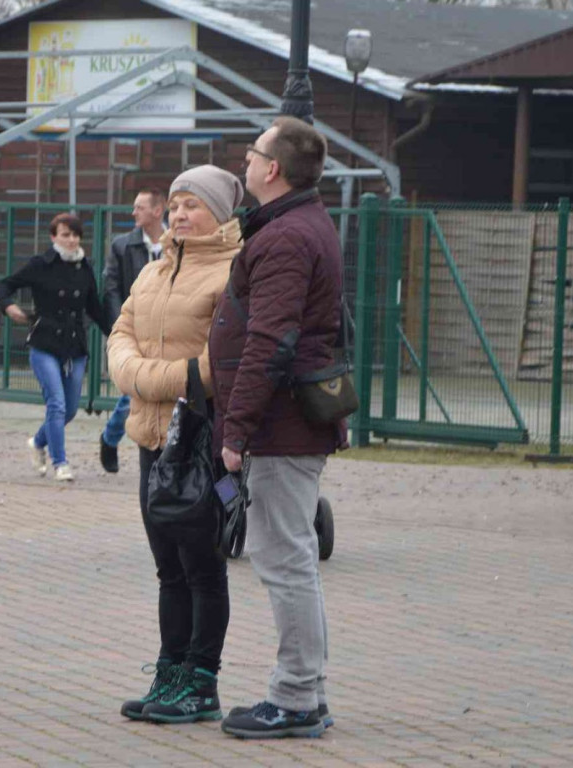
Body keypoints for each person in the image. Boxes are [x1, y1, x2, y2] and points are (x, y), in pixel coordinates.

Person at [211, 117, 346, 739]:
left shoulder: (287, 237)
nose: (245, 158)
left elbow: (272, 338)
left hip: (281, 425)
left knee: (284, 557)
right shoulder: (295, 224)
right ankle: (304, 692)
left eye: (254, 151)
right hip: (286, 421)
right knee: (288, 555)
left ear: (273, 169)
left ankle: (295, 697)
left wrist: (235, 430)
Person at [108, 165, 243, 724]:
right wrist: (134, 372)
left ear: (221, 213)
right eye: (176, 204)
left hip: (203, 440)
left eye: (194, 204)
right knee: (168, 566)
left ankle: (202, 682)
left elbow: (221, 363)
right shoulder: (154, 269)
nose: (181, 214)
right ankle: (170, 671)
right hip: (150, 436)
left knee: (203, 565)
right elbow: (121, 331)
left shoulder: (237, 272)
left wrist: (150, 377)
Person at [0, 213, 111, 481]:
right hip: (44, 343)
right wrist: (8, 307)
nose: (71, 240)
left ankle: (38, 442)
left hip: (75, 346)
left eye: (75, 235)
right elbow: (5, 285)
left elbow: (94, 307)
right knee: (56, 405)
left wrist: (116, 334)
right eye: (64, 235)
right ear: (53, 237)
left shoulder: (84, 267)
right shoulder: (41, 264)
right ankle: (61, 463)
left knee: (70, 409)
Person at [99, 187, 166, 474]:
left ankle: (116, 438)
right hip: (136, 329)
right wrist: (120, 325)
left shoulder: (177, 242)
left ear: (157, 210)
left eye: (140, 207)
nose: (133, 212)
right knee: (134, 391)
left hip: (168, 329)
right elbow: (111, 286)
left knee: (157, 391)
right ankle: (112, 438)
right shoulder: (123, 245)